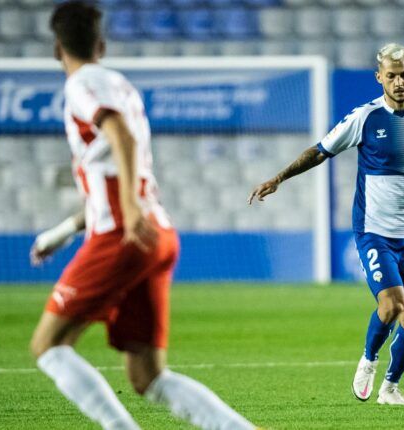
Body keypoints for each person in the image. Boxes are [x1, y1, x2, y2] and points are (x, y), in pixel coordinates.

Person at [28, 2, 255, 429]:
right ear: (102, 44)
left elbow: (122, 139)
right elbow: (114, 170)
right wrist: (61, 232)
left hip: (124, 236)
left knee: (49, 345)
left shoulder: (83, 84)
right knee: (147, 375)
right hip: (157, 232)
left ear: (57, 49)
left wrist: (129, 211)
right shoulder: (120, 85)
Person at [248, 43, 404, 406]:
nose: (399, 81)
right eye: (392, 75)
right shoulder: (365, 118)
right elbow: (320, 150)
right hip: (375, 231)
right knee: (392, 305)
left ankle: (390, 388)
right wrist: (278, 178)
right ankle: (368, 360)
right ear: (379, 77)